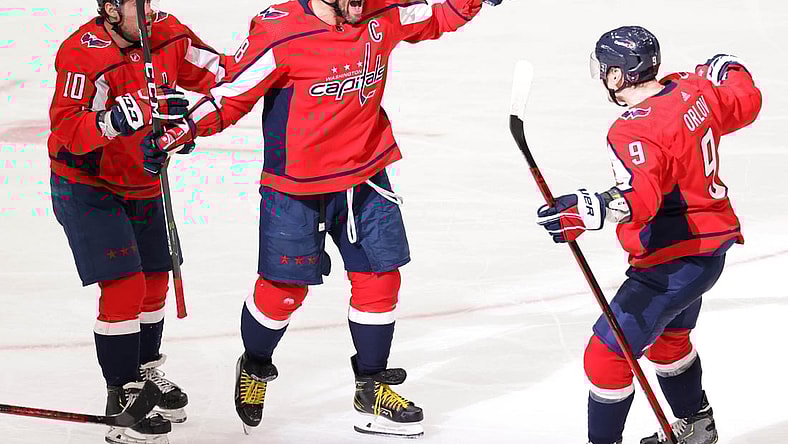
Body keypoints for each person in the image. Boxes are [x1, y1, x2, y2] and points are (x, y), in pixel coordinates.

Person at [140, 0, 503, 437]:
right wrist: (181, 130)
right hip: (296, 186)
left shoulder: (381, 11)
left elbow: (438, 15)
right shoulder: (280, 31)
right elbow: (232, 95)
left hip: (365, 174)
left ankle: (371, 388)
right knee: (282, 293)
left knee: (380, 278)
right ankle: (255, 364)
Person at [535, 26, 761, 444]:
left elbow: (641, 198)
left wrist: (594, 207)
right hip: (709, 248)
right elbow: (746, 101)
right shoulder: (693, 89)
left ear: (620, 74)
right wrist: (729, 67)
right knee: (668, 343)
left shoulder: (633, 129)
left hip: (673, 257)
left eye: (605, 69)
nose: (603, 77)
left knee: (605, 356)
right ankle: (697, 426)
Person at [48, 1, 224, 442]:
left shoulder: (167, 33)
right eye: (138, 4)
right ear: (109, 8)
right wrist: (110, 122)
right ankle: (121, 393)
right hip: (89, 185)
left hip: (142, 180)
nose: (150, 10)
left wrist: (186, 126)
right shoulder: (82, 53)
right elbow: (66, 128)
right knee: (125, 284)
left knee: (154, 281)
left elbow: (224, 72)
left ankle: (143, 371)